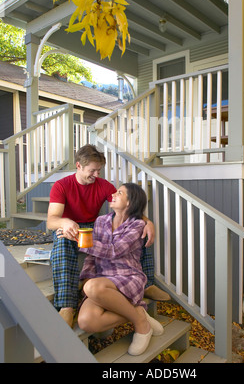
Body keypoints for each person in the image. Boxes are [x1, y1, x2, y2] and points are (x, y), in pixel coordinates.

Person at [47, 144, 169, 327]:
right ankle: (66, 305)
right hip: (70, 226)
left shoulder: (103, 186)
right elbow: (51, 220)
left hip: (94, 226)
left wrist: (147, 222)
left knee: (140, 231)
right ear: (79, 165)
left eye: (99, 170)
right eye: (92, 170)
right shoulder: (61, 186)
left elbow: (128, 206)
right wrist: (65, 222)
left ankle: (147, 285)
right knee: (62, 243)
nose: (97, 175)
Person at [77, 183, 164, 356]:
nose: (113, 195)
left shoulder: (138, 226)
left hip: (128, 277)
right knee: (86, 322)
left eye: (119, 193)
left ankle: (142, 326)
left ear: (130, 203)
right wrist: (86, 276)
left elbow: (114, 251)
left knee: (93, 287)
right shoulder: (101, 221)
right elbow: (92, 257)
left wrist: (80, 239)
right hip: (103, 280)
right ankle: (137, 313)